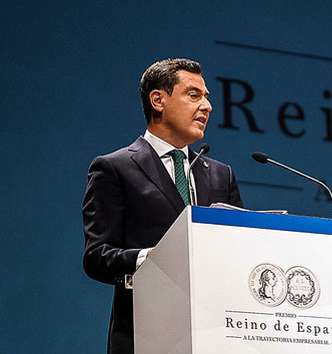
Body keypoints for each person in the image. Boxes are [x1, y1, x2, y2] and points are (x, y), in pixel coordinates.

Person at [82, 58, 243, 354]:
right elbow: (96, 257)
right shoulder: (114, 168)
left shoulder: (222, 174)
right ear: (158, 100)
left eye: (207, 97)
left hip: (215, 334)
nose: (207, 106)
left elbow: (238, 252)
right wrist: (152, 258)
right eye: (194, 95)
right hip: (146, 334)